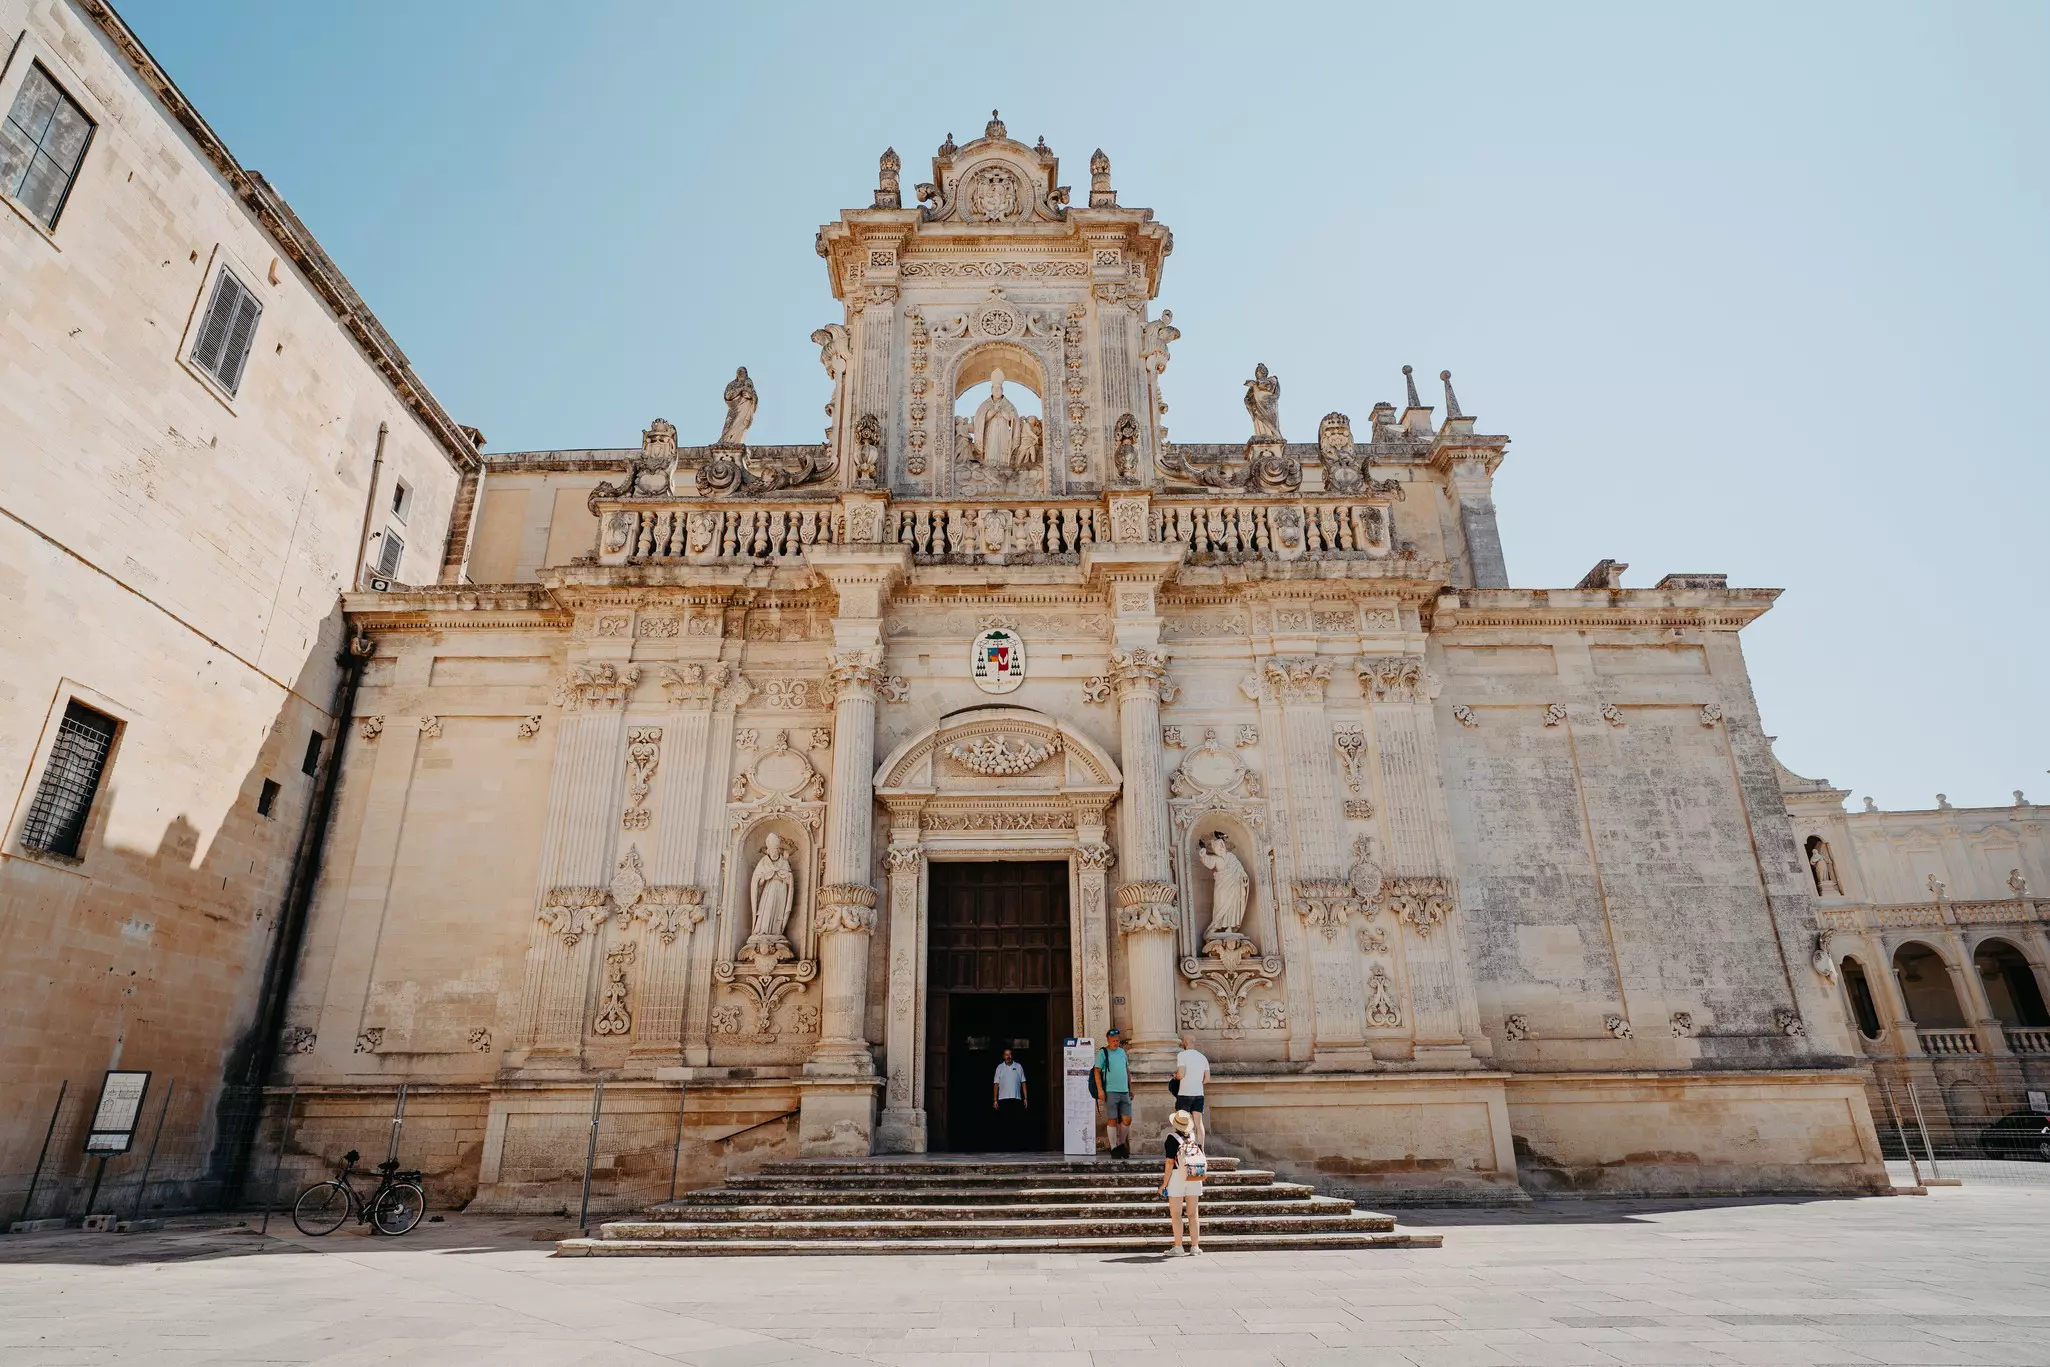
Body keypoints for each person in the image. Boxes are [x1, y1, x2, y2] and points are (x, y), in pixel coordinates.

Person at [1158, 1109, 1205, 1255]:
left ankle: (1178, 1246)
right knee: (1193, 1213)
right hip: (1194, 1174)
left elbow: (1170, 1163)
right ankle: (1195, 1246)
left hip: (1178, 1175)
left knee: (1176, 1213)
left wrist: (1164, 1184)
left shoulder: (1171, 1139)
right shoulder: (1193, 1137)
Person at [1093, 1028, 1133, 1157]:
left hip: (1124, 1091)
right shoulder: (1103, 1053)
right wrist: (1100, 1090)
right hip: (1110, 1091)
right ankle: (1114, 1147)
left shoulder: (1122, 1052)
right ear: (1108, 1040)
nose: (1116, 1043)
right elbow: (1097, 1071)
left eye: (1118, 1040)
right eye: (1114, 1041)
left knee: (1127, 1119)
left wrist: (1130, 1088)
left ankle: (1121, 1144)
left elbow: (1127, 1071)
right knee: (1112, 1119)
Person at [1174, 1031, 1211, 1144]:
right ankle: (1201, 1150)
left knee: (1183, 1123)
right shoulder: (1202, 1057)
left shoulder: (1182, 1055)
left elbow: (1181, 1074)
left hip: (1185, 1093)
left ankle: (1185, 1149)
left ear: (1185, 1042)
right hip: (1199, 1094)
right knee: (1198, 1123)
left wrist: (1175, 1076)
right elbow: (1207, 1079)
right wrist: (1196, 1082)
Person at [992, 1047, 1028, 1149]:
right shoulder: (999, 1068)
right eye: (1006, 1055)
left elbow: (1023, 1083)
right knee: (1004, 1123)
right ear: (1003, 1056)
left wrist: (1025, 1098)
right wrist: (995, 1099)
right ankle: (1004, 1146)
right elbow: (996, 1084)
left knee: (1016, 1123)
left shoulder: (1018, 1066)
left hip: (1016, 1098)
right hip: (1003, 1099)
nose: (1009, 1056)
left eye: (1010, 1054)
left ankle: (1016, 1146)